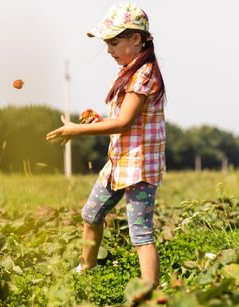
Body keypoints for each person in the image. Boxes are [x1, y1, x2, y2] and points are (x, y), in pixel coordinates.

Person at [46, 1, 166, 288]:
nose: (109, 49)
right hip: (119, 162)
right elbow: (126, 120)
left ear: (136, 39)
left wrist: (78, 131)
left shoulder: (144, 74)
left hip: (139, 167)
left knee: (140, 233)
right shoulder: (130, 70)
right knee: (91, 214)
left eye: (113, 42)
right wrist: (98, 120)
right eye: (107, 43)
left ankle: (149, 292)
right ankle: (87, 268)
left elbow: (124, 123)